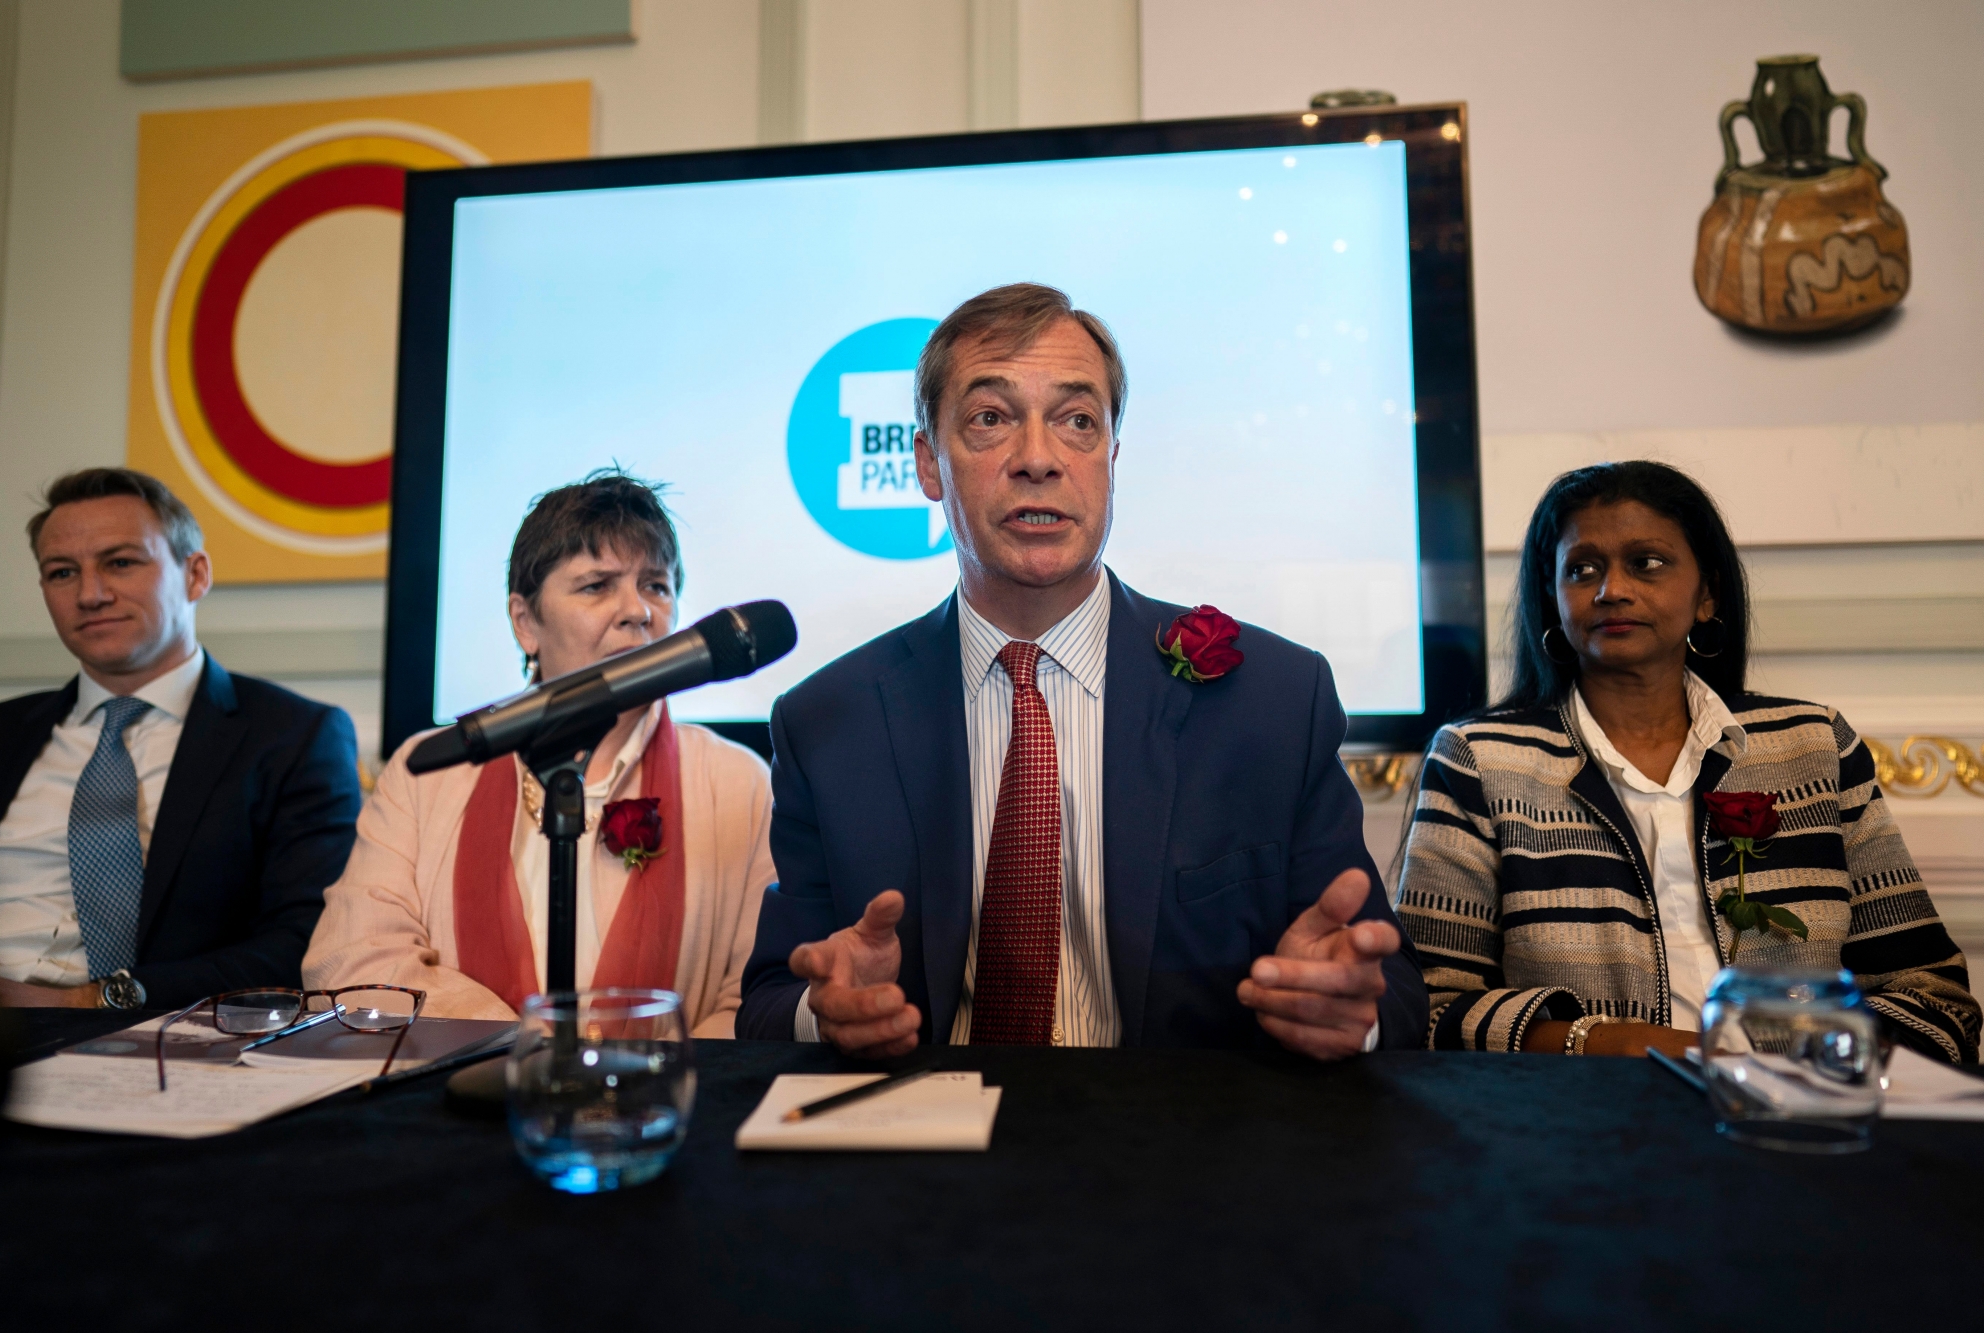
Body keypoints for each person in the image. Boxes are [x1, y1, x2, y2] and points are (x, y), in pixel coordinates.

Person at [739, 283, 1426, 1057]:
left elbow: (1395, 994)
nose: (1038, 459)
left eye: (1077, 422)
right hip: (921, 1150)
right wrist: (824, 1009)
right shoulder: (831, 722)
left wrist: (1343, 1010)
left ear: (1110, 459)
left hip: (1177, 1153)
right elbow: (767, 1004)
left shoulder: (1270, 699)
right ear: (929, 464)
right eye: (991, 419)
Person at [1396, 460, 1979, 1061]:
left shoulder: (1815, 745)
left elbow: (1931, 994)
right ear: (1553, 598)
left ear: (1708, 595)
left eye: (1646, 563)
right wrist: (1612, 1042)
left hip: (1801, 1121)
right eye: (1582, 569)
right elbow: (1427, 1007)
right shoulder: (1481, 761)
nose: (1611, 589)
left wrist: (1810, 1066)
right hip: (1587, 1129)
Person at [304, 471, 773, 1034]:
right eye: (597, 585)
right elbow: (351, 963)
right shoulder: (426, 771)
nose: (638, 611)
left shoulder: (737, 781)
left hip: (667, 1110)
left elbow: (754, 994)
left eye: (657, 585)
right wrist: (526, 1053)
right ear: (526, 623)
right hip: (461, 1107)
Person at [0, 468, 361, 1011]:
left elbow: (303, 945)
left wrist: (95, 1000)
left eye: (120, 563)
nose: (90, 594)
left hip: (157, 1038)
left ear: (195, 574)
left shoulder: (294, 736)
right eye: (63, 572)